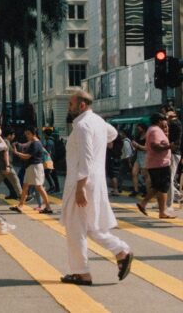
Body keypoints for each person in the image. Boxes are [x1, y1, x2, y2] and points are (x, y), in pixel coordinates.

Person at [60, 90, 133, 285]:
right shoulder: (99, 122)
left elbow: (86, 158)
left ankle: (82, 272)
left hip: (82, 182)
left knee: (76, 228)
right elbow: (113, 134)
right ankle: (121, 250)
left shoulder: (84, 126)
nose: (69, 107)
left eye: (71, 104)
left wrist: (80, 187)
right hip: (95, 182)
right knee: (92, 227)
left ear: (81, 105)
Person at [137, 113, 176, 218]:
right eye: (163, 120)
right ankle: (162, 212)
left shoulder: (153, 130)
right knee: (163, 188)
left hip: (157, 163)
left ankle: (143, 204)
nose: (165, 122)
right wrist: (169, 146)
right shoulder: (155, 130)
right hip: (160, 163)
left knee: (157, 187)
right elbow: (155, 146)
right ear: (159, 121)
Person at [11, 127, 53, 214]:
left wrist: (17, 153)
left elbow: (27, 156)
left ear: (33, 134)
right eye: (26, 134)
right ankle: (20, 205)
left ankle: (48, 207)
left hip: (35, 167)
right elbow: (25, 145)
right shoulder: (34, 142)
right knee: (26, 186)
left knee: (39, 187)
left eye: (28, 134)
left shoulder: (36, 144)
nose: (26, 135)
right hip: (32, 167)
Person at [0, 128, 23, 200]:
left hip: (0, 167)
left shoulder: (3, 141)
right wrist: (7, 165)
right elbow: (5, 154)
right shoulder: (6, 141)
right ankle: (22, 196)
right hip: (5, 166)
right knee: (16, 181)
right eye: (13, 135)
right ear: (9, 135)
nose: (14, 136)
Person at [165, 111, 181, 211]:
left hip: (173, 153)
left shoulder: (174, 124)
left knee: (169, 178)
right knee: (168, 178)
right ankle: (177, 196)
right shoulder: (177, 124)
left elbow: (175, 141)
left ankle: (169, 205)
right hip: (175, 153)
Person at [130, 123, 149, 197]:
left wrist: (137, 145)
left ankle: (146, 191)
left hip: (145, 155)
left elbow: (147, 148)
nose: (138, 129)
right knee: (134, 173)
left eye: (139, 128)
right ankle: (136, 190)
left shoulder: (147, 135)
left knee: (145, 175)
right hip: (138, 155)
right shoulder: (138, 135)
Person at [43, 129, 60, 194]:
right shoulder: (51, 141)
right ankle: (56, 188)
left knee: (48, 173)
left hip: (50, 160)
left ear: (46, 134)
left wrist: (47, 161)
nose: (44, 135)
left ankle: (53, 187)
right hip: (52, 160)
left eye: (44, 134)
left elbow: (48, 152)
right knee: (53, 174)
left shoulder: (49, 142)